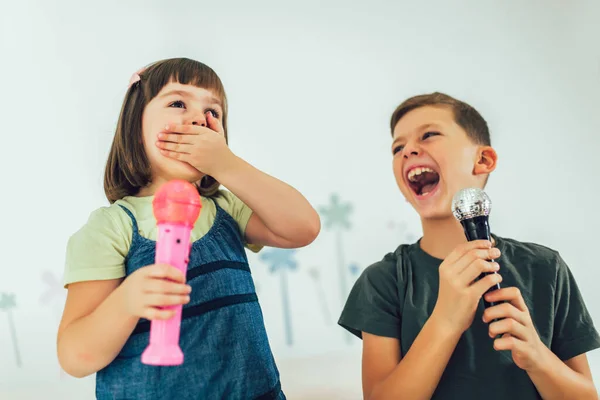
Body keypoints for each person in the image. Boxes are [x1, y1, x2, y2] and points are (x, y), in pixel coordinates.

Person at [57, 57, 320, 400]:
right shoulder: (112, 227)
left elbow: (304, 227)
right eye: (178, 103)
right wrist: (126, 301)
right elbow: (75, 357)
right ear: (135, 125)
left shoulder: (227, 209)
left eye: (214, 112)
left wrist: (226, 164)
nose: (199, 118)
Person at [338, 92, 600, 399]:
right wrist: (445, 321)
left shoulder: (546, 268)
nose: (408, 150)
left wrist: (538, 358)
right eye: (397, 147)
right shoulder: (383, 281)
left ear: (483, 161)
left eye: (429, 134)